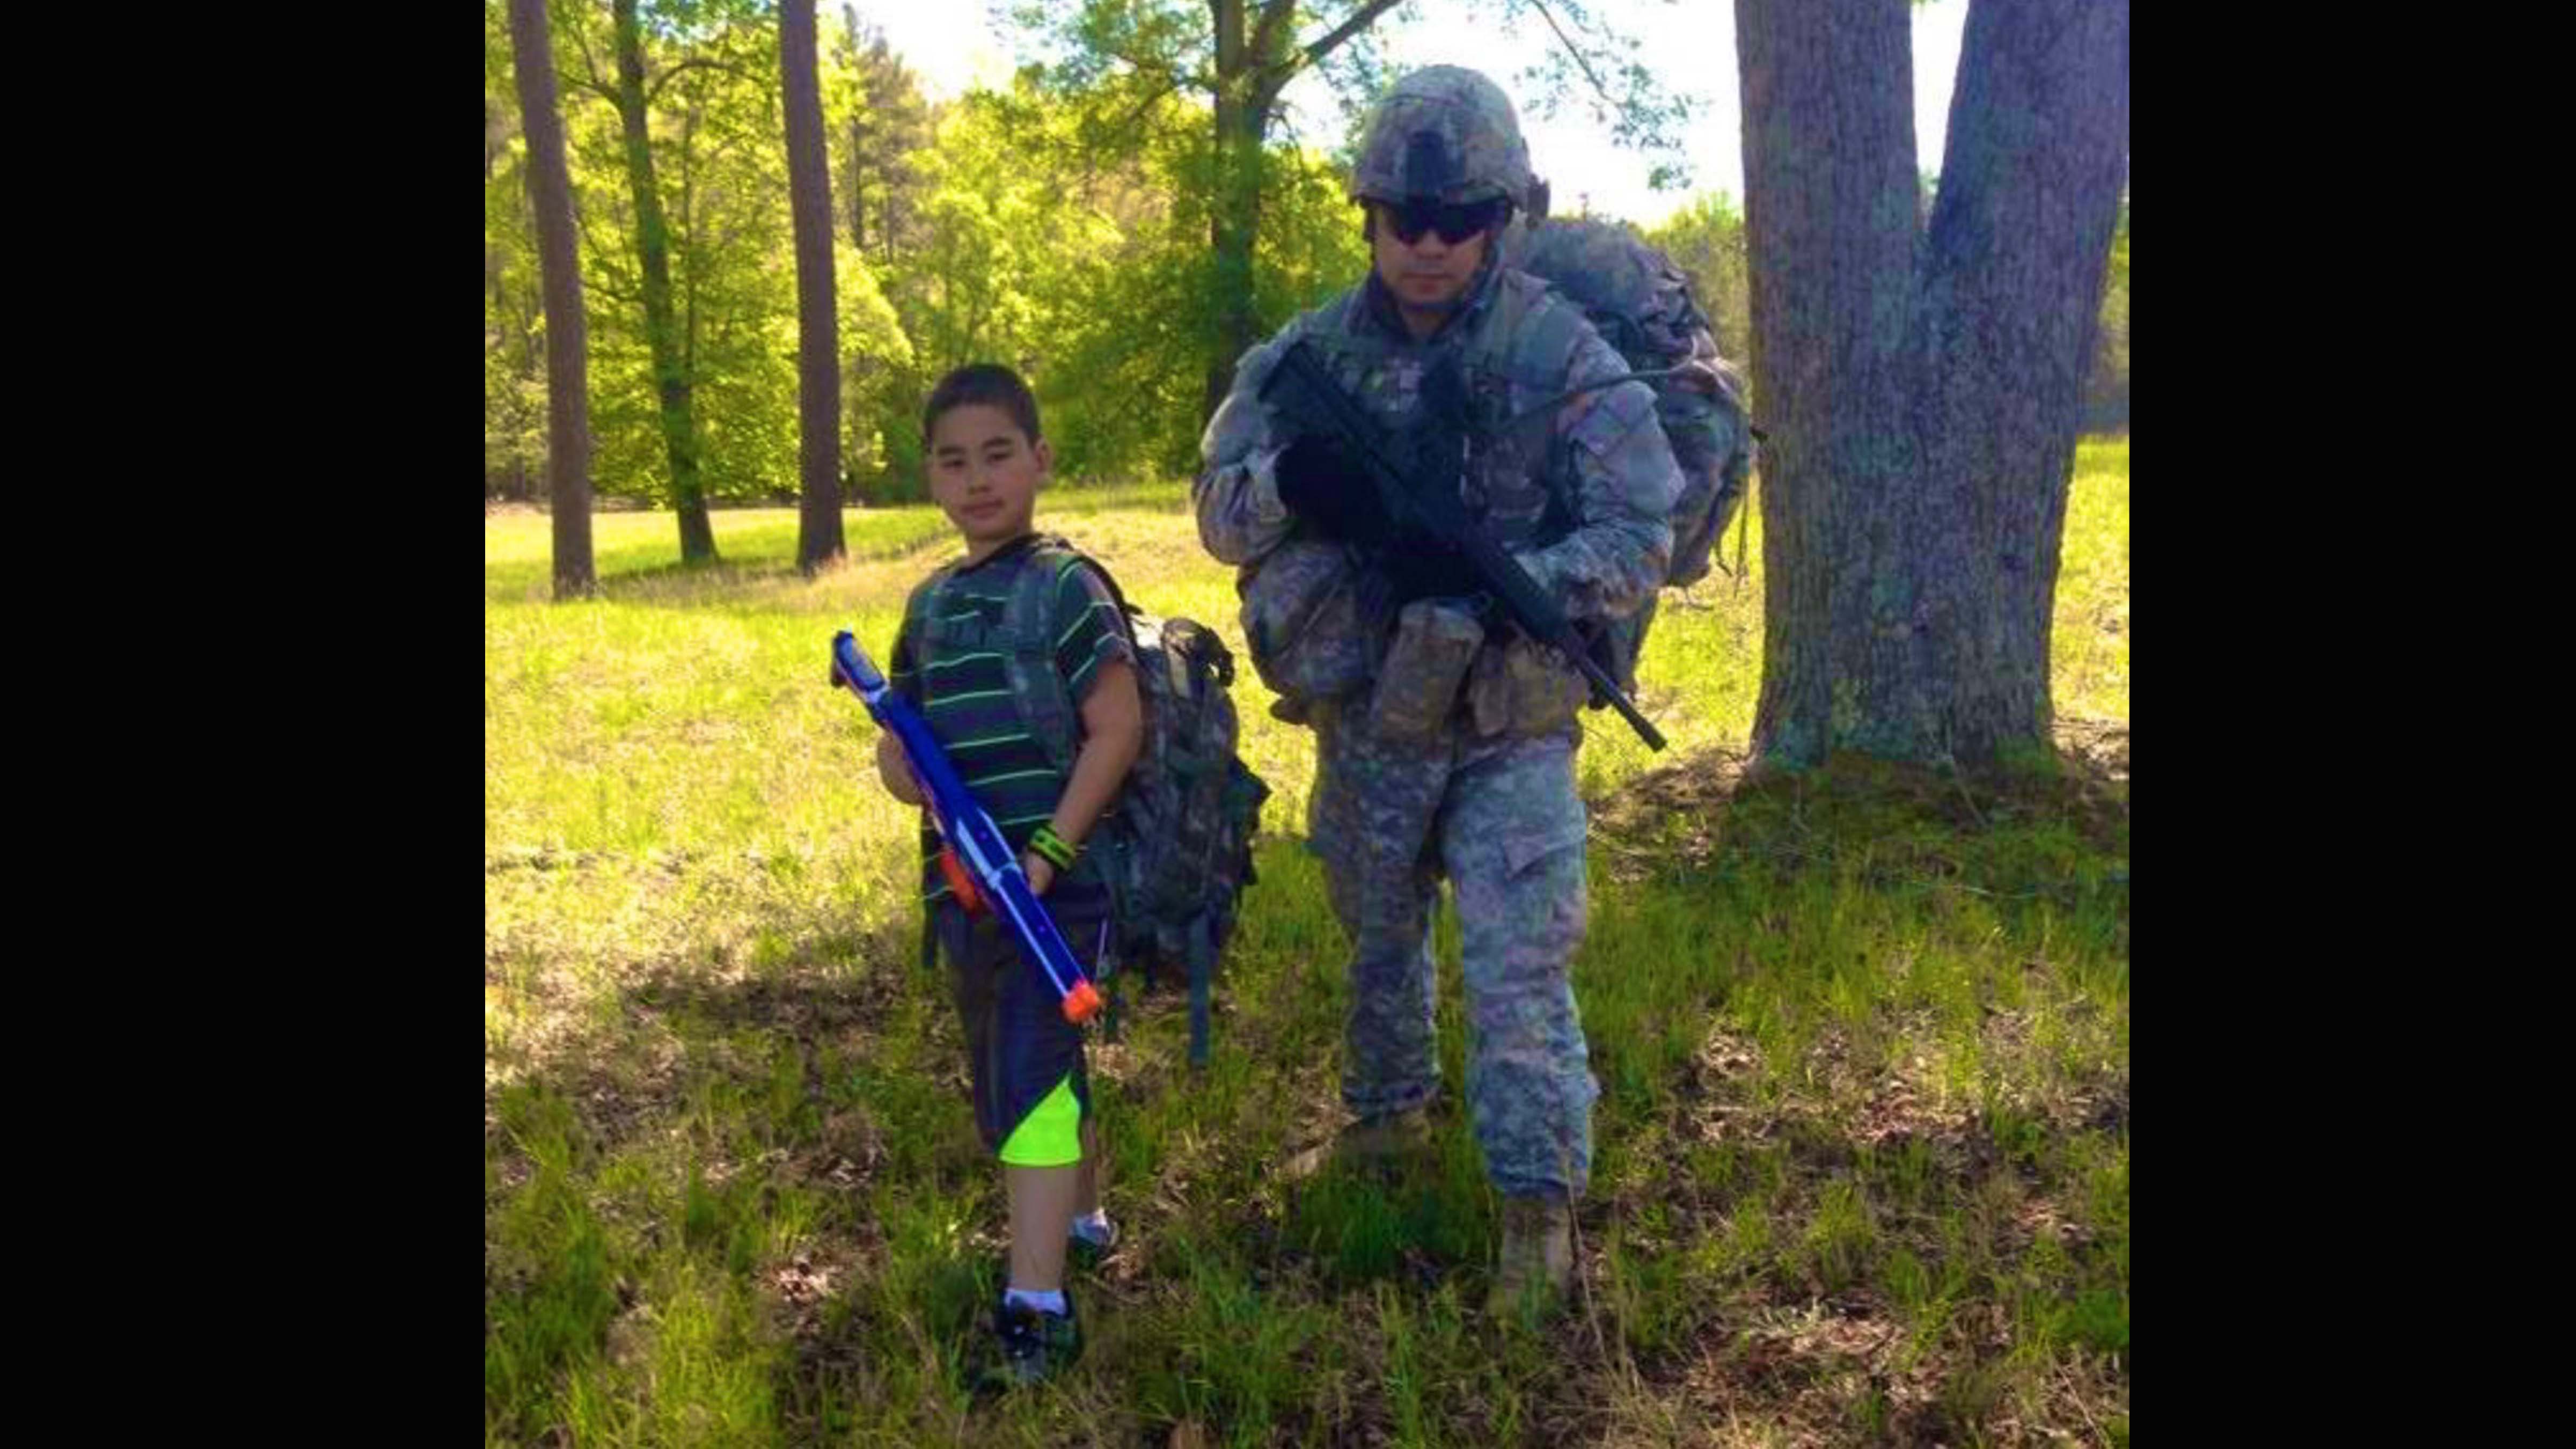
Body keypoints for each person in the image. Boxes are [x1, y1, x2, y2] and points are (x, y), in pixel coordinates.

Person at [1193, 66, 1682, 1316]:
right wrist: (1298, 482)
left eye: (1457, 219)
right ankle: (1384, 1122)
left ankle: (1536, 1208)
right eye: (1404, 218)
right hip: (1373, 708)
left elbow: (1642, 529)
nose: (1426, 244)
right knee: (1378, 939)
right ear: (1368, 215)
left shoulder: (1557, 351)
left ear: (1501, 220)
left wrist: (1518, 581)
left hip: (1511, 713)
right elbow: (1217, 513)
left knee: (1520, 965)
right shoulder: (1303, 354)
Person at [876, 363, 1145, 1387]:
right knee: (1017, 1066)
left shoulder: (1068, 588)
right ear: (931, 478)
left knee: (1029, 1083)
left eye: (998, 454)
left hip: (1059, 887)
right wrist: (897, 768)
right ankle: (1082, 1220)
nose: (977, 478)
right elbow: (912, 748)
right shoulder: (930, 603)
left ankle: (1037, 1311)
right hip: (969, 894)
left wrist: (1050, 855)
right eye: (953, 460)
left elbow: (1118, 729)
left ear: (1040, 459)